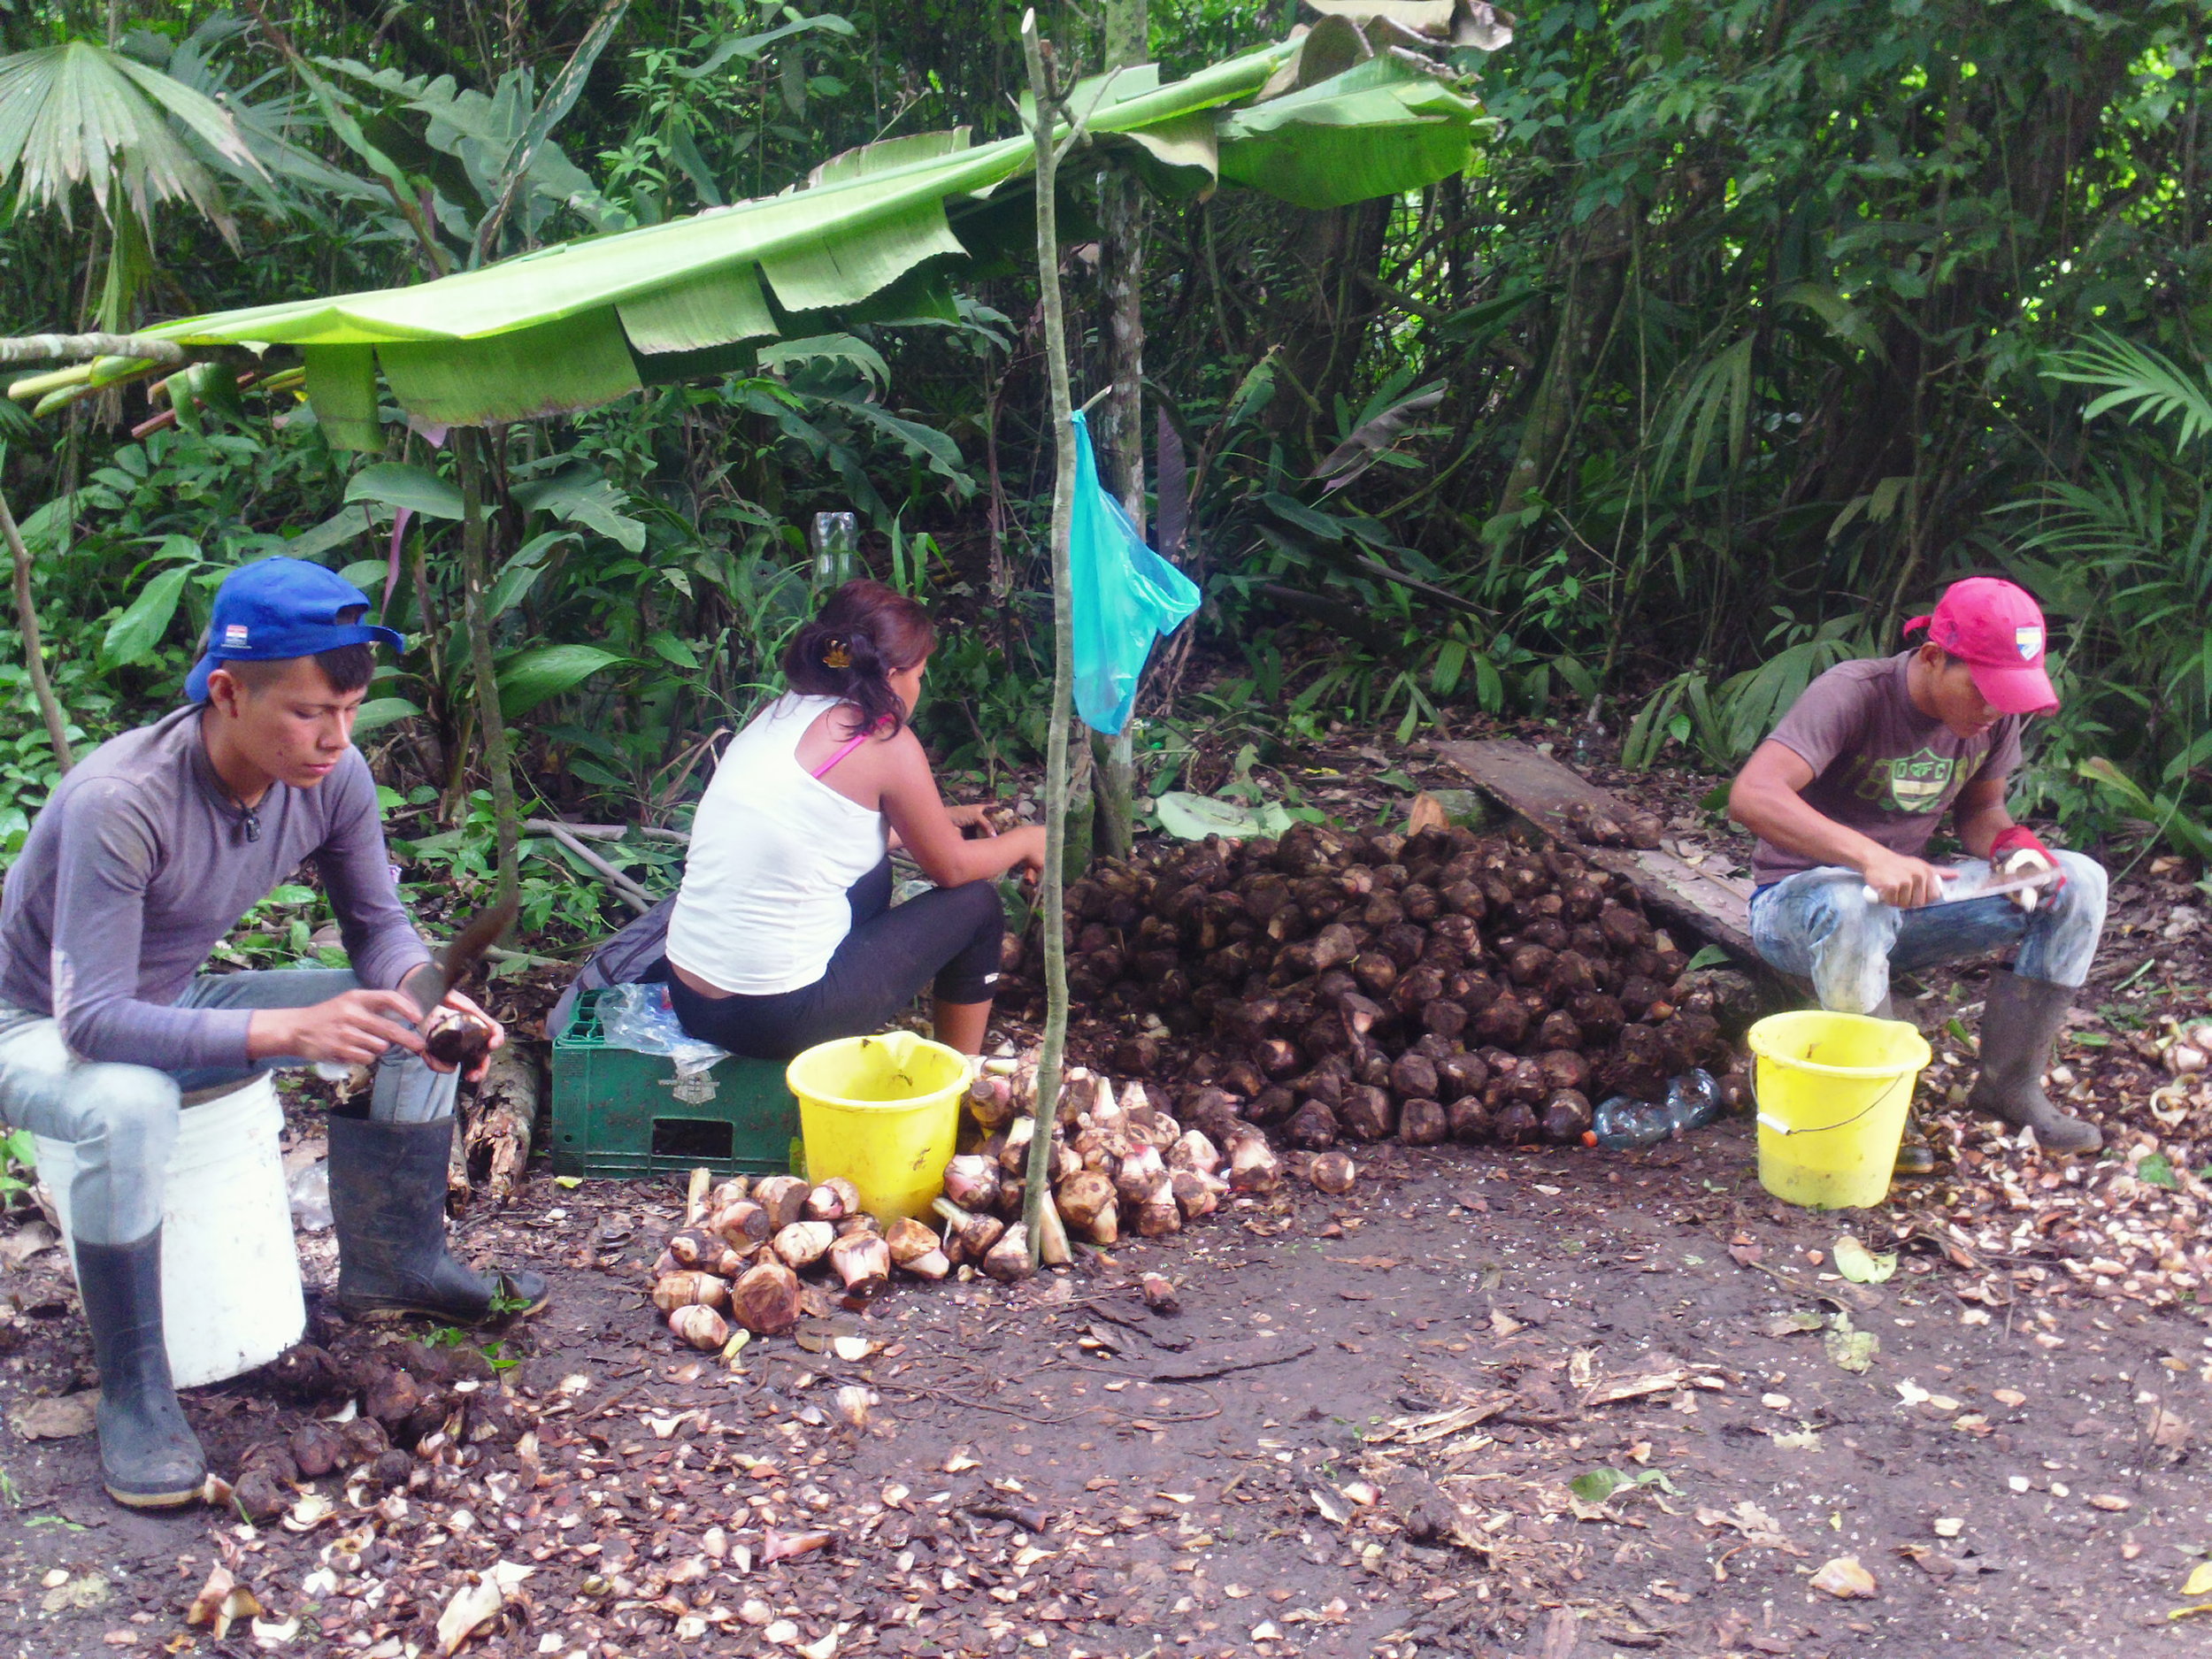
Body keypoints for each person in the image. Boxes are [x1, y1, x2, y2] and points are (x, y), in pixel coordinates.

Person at [0, 557, 546, 1510]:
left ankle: (396, 1264)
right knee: (128, 1098)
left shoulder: (330, 779)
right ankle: (137, 1389)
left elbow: (380, 932)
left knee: (406, 1010)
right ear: (226, 692)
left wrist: (429, 1002)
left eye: (349, 713)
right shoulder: (120, 802)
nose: (335, 739)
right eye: (307, 714)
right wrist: (292, 1029)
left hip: (165, 994)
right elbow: (89, 1020)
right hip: (35, 1022)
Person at [1729, 576, 2108, 1156]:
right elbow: (1753, 795)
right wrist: (1869, 856)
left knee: (2079, 880)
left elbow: (1981, 809)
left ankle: (2011, 1087)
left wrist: (2013, 846)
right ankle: (1875, 1111)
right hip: (1798, 909)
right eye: (1982, 689)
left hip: (1903, 904)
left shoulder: (1994, 718)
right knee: (1855, 904)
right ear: (1933, 657)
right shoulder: (1855, 692)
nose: (1994, 707)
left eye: (2008, 693)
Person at [663, 580, 1046, 1061]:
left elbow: (818, 835)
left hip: (693, 999)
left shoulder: (782, 711)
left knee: (872, 872)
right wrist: (1030, 839)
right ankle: (958, 1078)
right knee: (977, 905)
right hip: (773, 1018)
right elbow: (951, 869)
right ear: (891, 674)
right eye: (920, 674)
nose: (919, 688)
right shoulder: (882, 739)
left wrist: (940, 818)